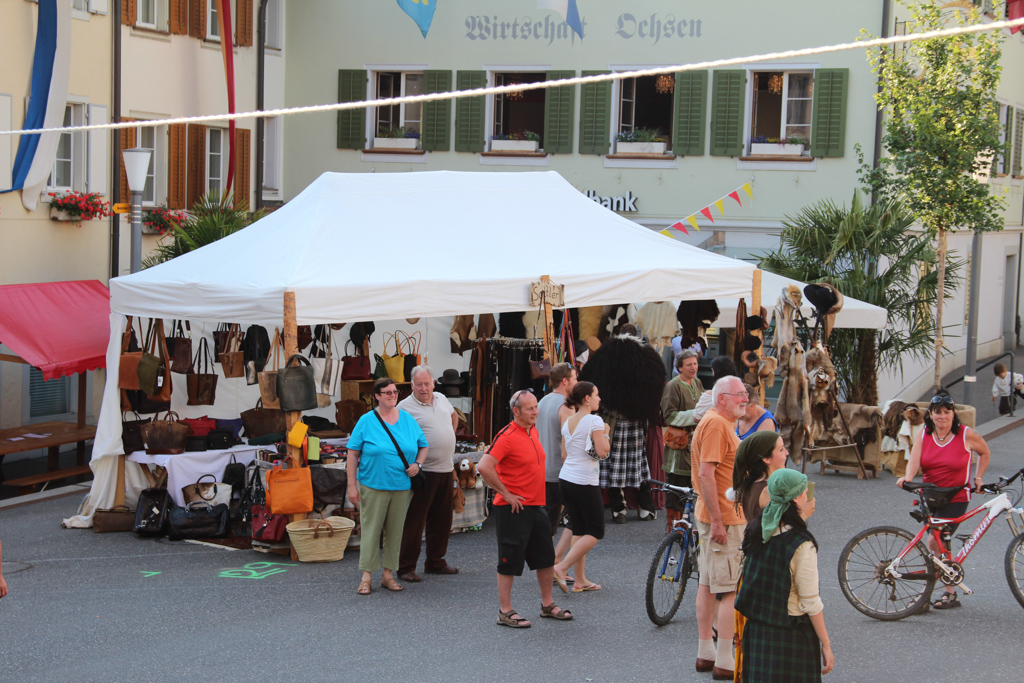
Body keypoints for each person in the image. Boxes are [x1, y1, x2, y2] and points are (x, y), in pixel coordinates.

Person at [477, 389, 572, 628]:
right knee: (509, 560)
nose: (535, 412)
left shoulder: (533, 431)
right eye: (530, 408)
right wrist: (506, 493)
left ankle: (547, 605)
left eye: (536, 406)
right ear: (516, 411)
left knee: (545, 557)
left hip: (536, 505)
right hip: (513, 508)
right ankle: (505, 611)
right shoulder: (507, 435)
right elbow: (484, 466)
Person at [735, 469, 834, 681]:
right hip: (790, 636)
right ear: (796, 498)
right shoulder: (801, 545)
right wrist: (825, 643)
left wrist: (801, 517)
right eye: (804, 492)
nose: (807, 496)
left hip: (757, 632)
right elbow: (810, 602)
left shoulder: (756, 530)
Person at [897, 392, 991, 610]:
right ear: (930, 414)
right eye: (937, 412)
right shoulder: (924, 433)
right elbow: (915, 458)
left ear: (953, 414)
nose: (942, 416)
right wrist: (908, 477)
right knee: (939, 545)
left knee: (934, 540)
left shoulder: (966, 434)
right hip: (929, 495)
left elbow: (985, 453)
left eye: (946, 412)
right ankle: (946, 594)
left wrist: (978, 478)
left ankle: (928, 596)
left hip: (956, 496)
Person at [346, 377, 429, 596]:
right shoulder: (366, 421)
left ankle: (388, 575)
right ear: (377, 396)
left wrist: (418, 464)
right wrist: (352, 486)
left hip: (402, 486)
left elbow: (424, 446)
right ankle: (366, 577)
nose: (393, 396)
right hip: (373, 484)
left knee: (395, 532)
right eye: (388, 392)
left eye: (395, 392)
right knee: (371, 531)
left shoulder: (407, 419)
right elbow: (352, 454)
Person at [691, 375, 748, 680]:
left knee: (708, 584)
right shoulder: (716, 424)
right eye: (739, 394)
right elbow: (706, 474)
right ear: (722, 397)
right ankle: (725, 659)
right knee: (728, 590)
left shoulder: (718, 422)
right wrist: (717, 521)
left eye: (745, 394)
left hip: (718, 515)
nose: (745, 399)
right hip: (724, 517)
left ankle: (707, 653)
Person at [396, 366, 460, 582]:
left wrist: (450, 434)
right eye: (419, 385)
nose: (423, 388)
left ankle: (435, 561)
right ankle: (405, 567)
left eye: (426, 384)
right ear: (411, 386)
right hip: (423, 472)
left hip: (445, 468)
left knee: (442, 519)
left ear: (433, 383)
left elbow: (454, 415)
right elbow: (398, 437)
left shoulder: (441, 398)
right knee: (414, 521)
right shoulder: (404, 407)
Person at [552, 382, 611, 593]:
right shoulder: (595, 420)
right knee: (595, 530)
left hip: (566, 478)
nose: (599, 399)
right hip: (584, 480)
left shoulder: (568, 421)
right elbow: (603, 451)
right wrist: (606, 433)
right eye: (596, 395)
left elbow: (565, 455)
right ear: (587, 398)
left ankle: (580, 579)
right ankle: (562, 567)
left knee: (579, 527)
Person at [536, 362, 578, 573]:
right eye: (575, 378)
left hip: (543, 468)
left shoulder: (542, 402)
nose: (577, 382)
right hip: (560, 470)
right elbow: (568, 443)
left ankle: (550, 564)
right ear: (565, 381)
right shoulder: (566, 406)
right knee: (575, 518)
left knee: (549, 519)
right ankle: (553, 564)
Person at [731, 431, 790, 522]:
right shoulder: (768, 491)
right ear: (766, 458)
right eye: (781, 449)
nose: (787, 453)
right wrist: (803, 513)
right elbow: (777, 527)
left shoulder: (751, 484)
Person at [694, 356, 740, 421]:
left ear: (715, 372)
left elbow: (696, 418)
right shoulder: (741, 393)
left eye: (712, 371)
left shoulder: (710, 395)